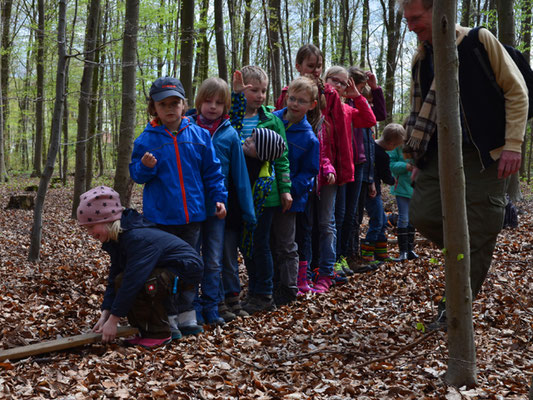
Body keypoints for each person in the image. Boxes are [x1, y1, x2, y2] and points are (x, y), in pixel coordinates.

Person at [400, 0, 528, 329]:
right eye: (407, 20)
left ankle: (454, 307)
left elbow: (517, 91)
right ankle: (467, 249)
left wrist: (513, 145)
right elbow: (419, 111)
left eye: (416, 18)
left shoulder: (478, 41)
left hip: (486, 155)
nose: (411, 26)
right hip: (439, 152)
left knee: (481, 226)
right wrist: (417, 157)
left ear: (439, 11)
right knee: (423, 214)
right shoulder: (422, 56)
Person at [129, 76, 227, 337]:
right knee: (166, 272)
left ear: (184, 105)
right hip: (161, 219)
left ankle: (188, 316)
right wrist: (145, 167)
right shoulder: (146, 140)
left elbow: (212, 171)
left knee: (190, 267)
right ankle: (169, 319)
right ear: (154, 109)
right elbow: (136, 174)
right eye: (163, 105)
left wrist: (219, 198)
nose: (170, 109)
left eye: (175, 103)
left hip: (192, 217)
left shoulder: (198, 135)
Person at [77, 186, 204, 348]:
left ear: (106, 220)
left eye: (90, 227)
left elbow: (133, 280)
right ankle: (145, 331)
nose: (89, 233)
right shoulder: (117, 240)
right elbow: (114, 277)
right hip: (164, 269)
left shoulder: (136, 238)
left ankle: (159, 333)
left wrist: (114, 320)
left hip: (185, 270)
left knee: (139, 284)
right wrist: (105, 314)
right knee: (120, 280)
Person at [276, 44, 352, 292]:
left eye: (319, 66)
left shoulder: (330, 95)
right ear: (298, 66)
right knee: (303, 224)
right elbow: (276, 127)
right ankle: (301, 275)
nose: (316, 71)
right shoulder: (288, 93)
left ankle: (326, 272)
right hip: (295, 172)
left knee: (325, 223)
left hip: (324, 170)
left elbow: (339, 136)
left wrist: (341, 170)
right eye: (310, 66)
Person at [187, 77, 256, 326]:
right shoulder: (186, 129)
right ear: (198, 102)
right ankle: (191, 307)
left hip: (218, 208)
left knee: (214, 259)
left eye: (219, 102)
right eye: (208, 101)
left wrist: (248, 211)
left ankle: (213, 304)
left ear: (227, 106)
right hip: (191, 207)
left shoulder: (229, 135)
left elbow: (240, 177)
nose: (212, 107)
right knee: (192, 258)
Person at [229, 67, 292, 314]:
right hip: (239, 192)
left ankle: (263, 293)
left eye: (263, 90)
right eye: (253, 90)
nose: (259, 95)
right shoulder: (233, 117)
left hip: (266, 194)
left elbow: (283, 156)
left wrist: (285, 189)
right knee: (246, 245)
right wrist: (235, 96)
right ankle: (254, 290)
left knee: (260, 244)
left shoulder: (272, 119)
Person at [322, 66, 377, 278]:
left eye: (342, 83)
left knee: (344, 217)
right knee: (329, 219)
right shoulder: (319, 105)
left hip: (345, 172)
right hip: (326, 172)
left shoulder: (346, 109)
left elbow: (370, 120)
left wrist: (358, 97)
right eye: (333, 80)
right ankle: (327, 262)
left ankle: (340, 258)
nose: (336, 85)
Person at [272, 76, 320, 299]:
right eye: (292, 98)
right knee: (266, 241)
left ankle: (289, 287)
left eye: (301, 101)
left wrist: (289, 191)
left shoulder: (309, 138)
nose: (294, 104)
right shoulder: (272, 120)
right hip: (266, 193)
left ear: (311, 105)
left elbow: (309, 172)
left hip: (290, 199)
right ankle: (269, 283)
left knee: (286, 243)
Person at [347, 67, 388, 272]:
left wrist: (375, 88)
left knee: (357, 216)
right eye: (360, 88)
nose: (362, 93)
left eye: (364, 89)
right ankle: (350, 255)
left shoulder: (361, 104)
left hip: (366, 168)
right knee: (350, 215)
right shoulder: (349, 106)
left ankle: (355, 255)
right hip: (353, 166)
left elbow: (379, 114)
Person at [361, 124, 405, 263]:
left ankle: (381, 253)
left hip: (370, 188)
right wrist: (393, 181)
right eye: (396, 146)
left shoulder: (371, 146)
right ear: (391, 143)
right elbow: (386, 176)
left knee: (382, 221)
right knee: (377, 221)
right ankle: (367, 254)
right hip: (373, 192)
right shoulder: (382, 155)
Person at [388, 135, 418, 261]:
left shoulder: (417, 143)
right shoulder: (397, 146)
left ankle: (410, 249)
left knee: (412, 219)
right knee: (403, 218)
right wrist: (405, 166)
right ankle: (403, 251)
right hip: (401, 187)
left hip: (415, 187)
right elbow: (391, 164)